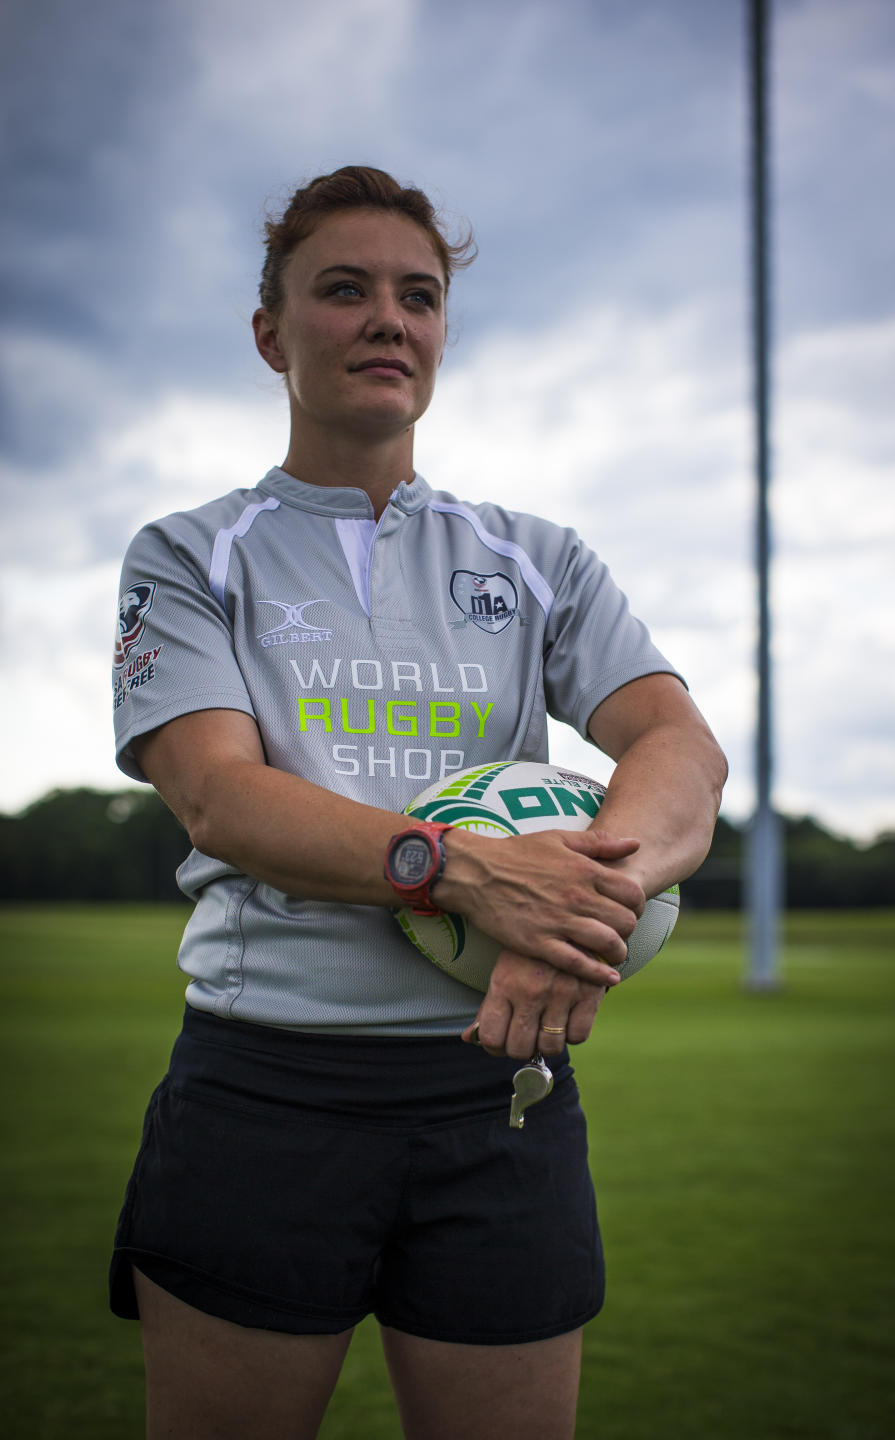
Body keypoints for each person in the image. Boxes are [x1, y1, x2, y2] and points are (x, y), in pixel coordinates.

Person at [109, 164, 727, 1440]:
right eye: (345, 291)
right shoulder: (188, 553)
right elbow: (221, 796)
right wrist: (459, 870)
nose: (389, 318)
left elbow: (678, 748)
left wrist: (586, 900)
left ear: (442, 333)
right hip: (266, 1089)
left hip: (507, 1095)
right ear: (273, 333)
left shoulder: (537, 558)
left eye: (419, 295)